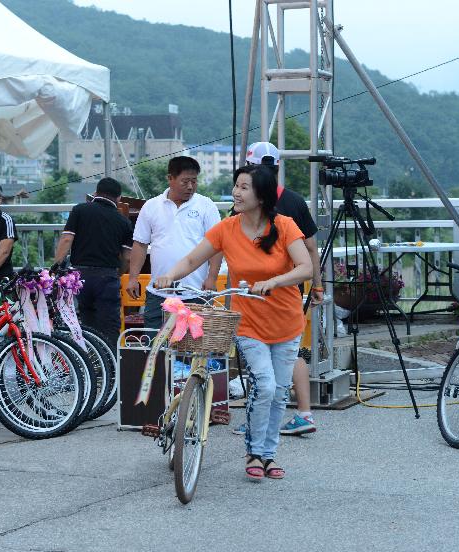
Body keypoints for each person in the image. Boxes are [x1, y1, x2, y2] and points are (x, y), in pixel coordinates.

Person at [153, 165, 312, 481]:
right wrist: (171, 274)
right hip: (249, 322)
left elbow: (306, 267)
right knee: (264, 384)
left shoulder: (285, 226)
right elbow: (191, 260)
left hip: (287, 321)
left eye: (244, 187)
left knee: (280, 391)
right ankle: (254, 452)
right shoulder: (227, 228)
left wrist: (276, 281)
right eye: (236, 186)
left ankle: (268, 455)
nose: (236, 193)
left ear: (261, 195)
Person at [233, 141, 323, 436]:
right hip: (289, 291)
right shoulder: (294, 200)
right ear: (277, 168)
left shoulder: (246, 202)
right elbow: (312, 249)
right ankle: (305, 414)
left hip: (254, 292)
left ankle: (257, 420)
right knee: (290, 351)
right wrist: (317, 285)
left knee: (260, 358)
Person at [126, 156, 221, 329]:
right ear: (170, 178)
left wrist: (212, 277)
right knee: (155, 346)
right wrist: (133, 278)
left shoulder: (206, 206)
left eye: (194, 181)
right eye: (185, 181)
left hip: (196, 291)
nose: (190, 186)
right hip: (158, 292)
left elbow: (217, 245)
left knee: (193, 349)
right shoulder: (151, 206)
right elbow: (140, 244)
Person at [53, 177, 133, 346]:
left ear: (95, 193)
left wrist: (55, 267)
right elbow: (127, 257)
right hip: (107, 277)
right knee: (109, 327)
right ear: (119, 198)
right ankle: (111, 367)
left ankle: (91, 363)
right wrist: (118, 273)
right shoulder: (124, 222)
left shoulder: (80, 210)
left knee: (87, 323)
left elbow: (67, 240)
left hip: (80, 277)